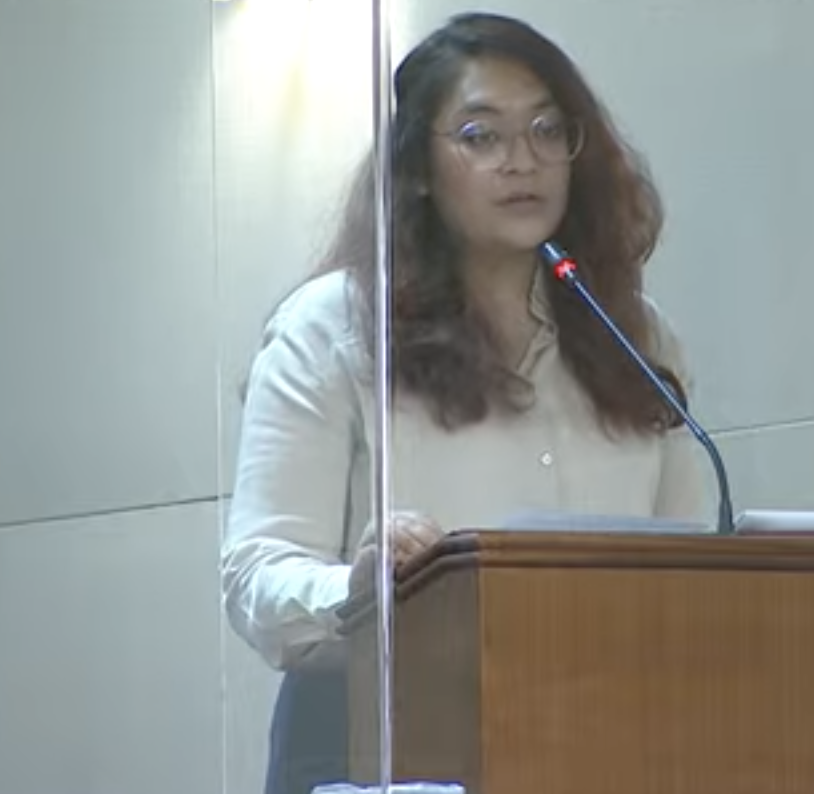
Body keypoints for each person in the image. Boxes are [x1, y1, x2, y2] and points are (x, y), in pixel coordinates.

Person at [221, 11, 706, 794]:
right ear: (417, 166)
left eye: (550, 130)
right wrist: (357, 589)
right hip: (378, 742)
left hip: (602, 737)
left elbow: (686, 572)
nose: (524, 161)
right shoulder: (336, 329)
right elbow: (256, 575)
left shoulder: (635, 338)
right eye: (482, 137)